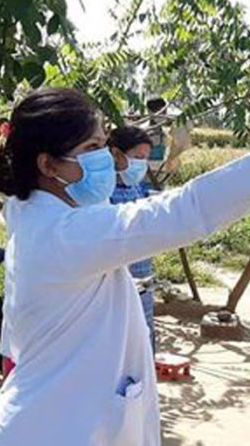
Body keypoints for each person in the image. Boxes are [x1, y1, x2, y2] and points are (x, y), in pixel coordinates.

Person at [0, 87, 250, 445]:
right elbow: (182, 210)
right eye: (92, 146)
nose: (106, 157)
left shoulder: (37, 213)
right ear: (48, 165)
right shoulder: (65, 233)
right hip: (50, 429)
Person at [108, 125, 157, 351]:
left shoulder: (138, 187)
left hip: (143, 279)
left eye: (145, 159)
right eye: (137, 157)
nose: (142, 164)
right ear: (116, 154)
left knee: (143, 337)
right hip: (113, 285)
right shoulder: (101, 193)